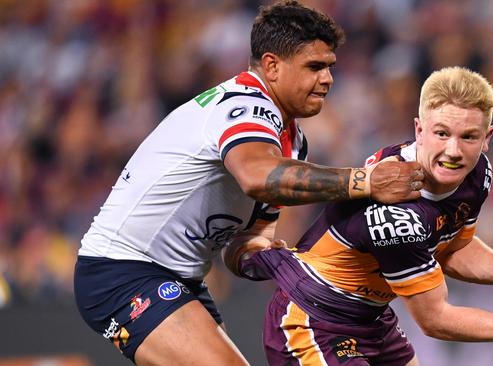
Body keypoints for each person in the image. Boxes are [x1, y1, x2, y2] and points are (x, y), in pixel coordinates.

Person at [73, 1, 425, 365]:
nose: (328, 79)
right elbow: (259, 178)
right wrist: (365, 181)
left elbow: (246, 240)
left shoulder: (291, 140)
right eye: (314, 67)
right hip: (122, 270)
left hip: (179, 278)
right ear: (271, 65)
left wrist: (282, 261)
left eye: (330, 67)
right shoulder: (245, 104)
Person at [225, 66, 493, 365]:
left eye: (468, 136)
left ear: (487, 138)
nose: (453, 150)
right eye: (441, 133)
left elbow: (453, 249)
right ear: (418, 130)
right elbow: (435, 319)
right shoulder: (397, 210)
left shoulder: (478, 173)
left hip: (371, 319)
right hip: (313, 319)